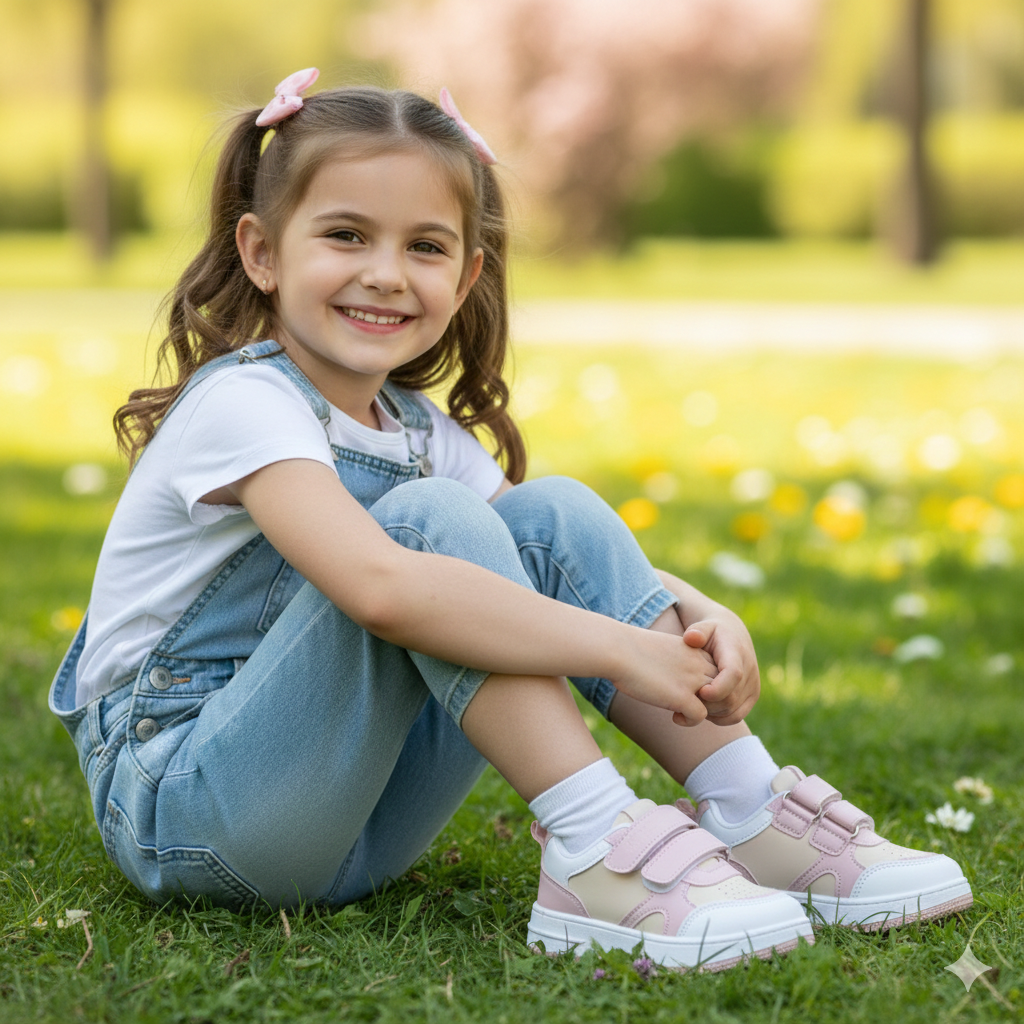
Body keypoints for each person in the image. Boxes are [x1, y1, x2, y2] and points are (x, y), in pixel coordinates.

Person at [49, 70, 971, 971]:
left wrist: (695, 610)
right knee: (426, 527)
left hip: (354, 825)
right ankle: (593, 844)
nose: (385, 274)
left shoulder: (416, 430)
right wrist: (623, 651)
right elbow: (381, 587)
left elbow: (549, 560)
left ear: (467, 275)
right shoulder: (244, 404)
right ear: (261, 252)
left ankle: (750, 809)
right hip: (192, 813)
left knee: (550, 511)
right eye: (345, 235)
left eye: (425, 246)